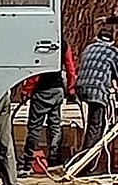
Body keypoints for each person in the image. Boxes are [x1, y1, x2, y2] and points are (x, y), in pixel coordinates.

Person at [18, 41, 77, 175]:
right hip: (57, 90)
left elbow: (36, 70)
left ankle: (27, 163)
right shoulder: (63, 43)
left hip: (42, 91)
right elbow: (70, 66)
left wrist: (26, 90)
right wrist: (71, 88)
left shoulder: (41, 41)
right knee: (55, 125)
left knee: (34, 127)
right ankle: (53, 159)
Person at [75, 27, 118, 163]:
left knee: (92, 122)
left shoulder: (88, 48)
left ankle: (85, 157)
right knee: (96, 125)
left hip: (81, 87)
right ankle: (87, 162)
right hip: (97, 90)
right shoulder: (113, 51)